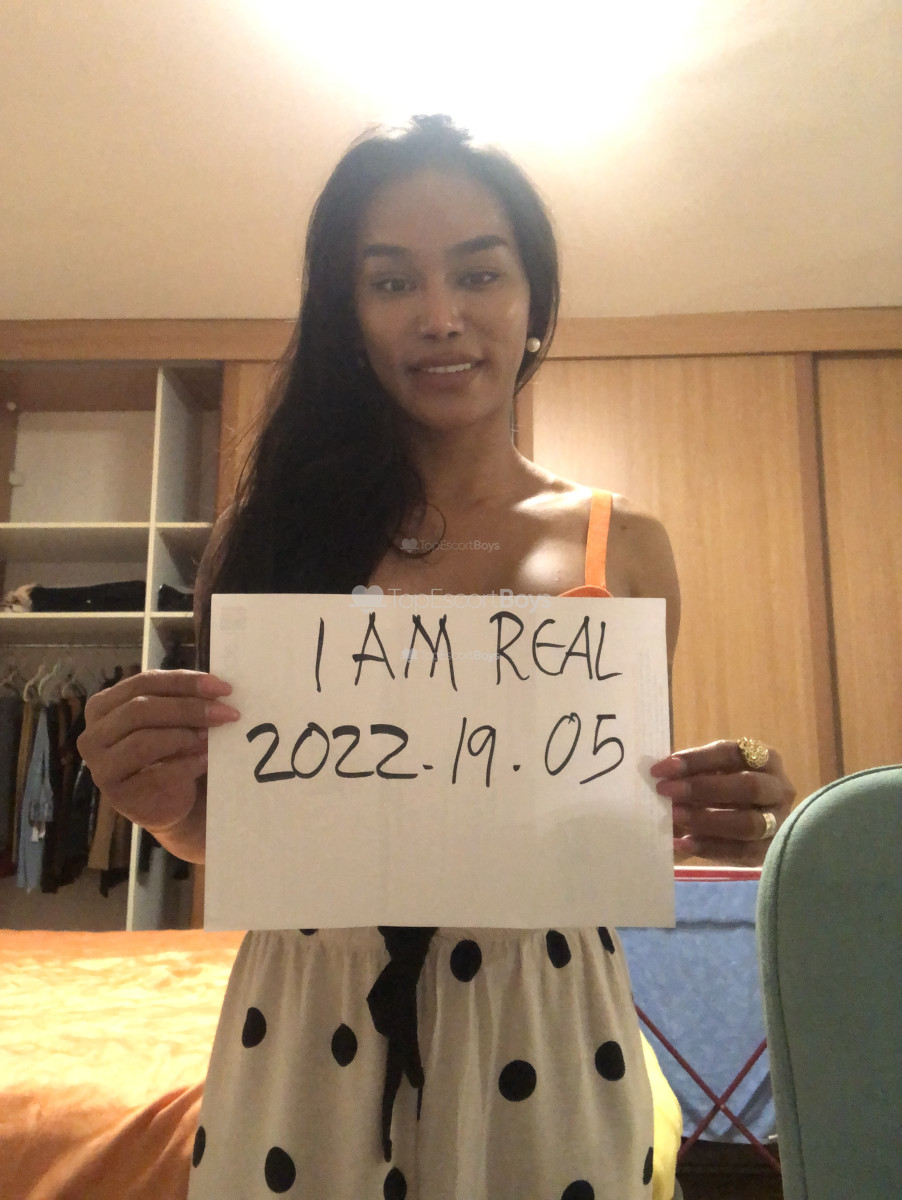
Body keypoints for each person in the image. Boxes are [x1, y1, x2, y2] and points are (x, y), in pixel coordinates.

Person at [77, 114, 795, 1199]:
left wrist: (725, 814)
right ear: (348, 314)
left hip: (544, 1011)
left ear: (534, 302)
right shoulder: (267, 537)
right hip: (307, 1010)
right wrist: (164, 809)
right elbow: (248, 829)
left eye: (479, 272)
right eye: (390, 281)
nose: (441, 316)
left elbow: (602, 814)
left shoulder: (624, 545)